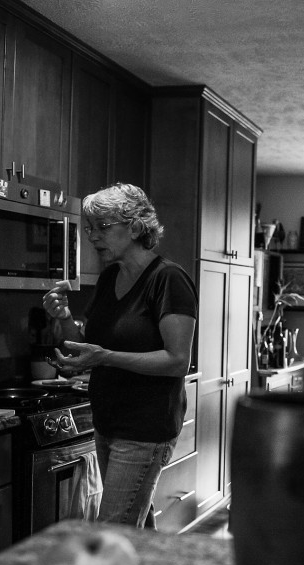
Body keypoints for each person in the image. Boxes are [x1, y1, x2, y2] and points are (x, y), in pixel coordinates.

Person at [42, 183, 197, 528]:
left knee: (112, 532)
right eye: (89, 228)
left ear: (136, 226)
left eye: (102, 227)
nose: (93, 236)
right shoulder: (110, 276)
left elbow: (176, 360)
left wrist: (105, 357)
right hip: (108, 420)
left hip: (145, 427)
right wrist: (64, 318)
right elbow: (87, 345)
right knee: (134, 524)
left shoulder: (168, 279)